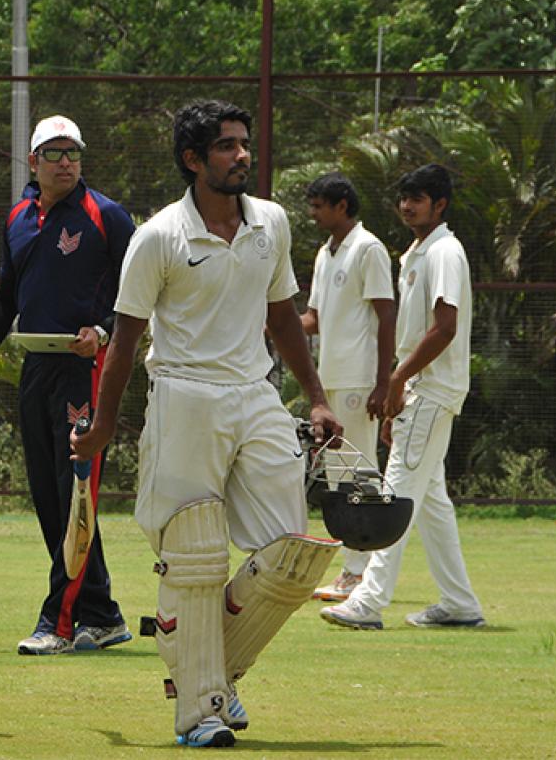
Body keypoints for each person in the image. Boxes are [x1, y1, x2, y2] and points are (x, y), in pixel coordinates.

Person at [71, 100, 343, 748]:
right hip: (184, 395)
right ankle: (202, 710)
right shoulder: (159, 237)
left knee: (292, 556)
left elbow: (283, 317)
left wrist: (318, 398)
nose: (241, 154)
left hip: (255, 393)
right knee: (194, 557)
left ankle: (202, 666)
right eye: (226, 145)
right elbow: (126, 340)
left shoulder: (271, 223)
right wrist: (105, 425)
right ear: (193, 160)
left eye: (243, 143)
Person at [0, 115, 135, 656]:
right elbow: (5, 297)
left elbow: (139, 292)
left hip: (86, 369)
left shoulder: (106, 216)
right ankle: (101, 614)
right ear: (33, 161)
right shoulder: (18, 217)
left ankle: (57, 623)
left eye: (73, 152)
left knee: (75, 492)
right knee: (50, 498)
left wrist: (103, 330)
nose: (65, 162)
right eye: (53, 153)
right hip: (36, 367)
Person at [320, 164, 486, 631]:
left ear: (440, 205)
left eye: (418, 198)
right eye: (404, 198)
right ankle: (459, 603)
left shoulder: (445, 252)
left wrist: (397, 379)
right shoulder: (416, 253)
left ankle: (368, 602)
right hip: (419, 390)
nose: (407, 206)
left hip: (432, 389)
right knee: (430, 502)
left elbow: (445, 327)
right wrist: (400, 392)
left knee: (395, 494)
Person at [300, 173, 396, 602]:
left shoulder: (368, 248)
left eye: (319, 205)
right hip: (330, 381)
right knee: (340, 476)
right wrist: (265, 323)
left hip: (360, 378)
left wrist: (383, 381)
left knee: (360, 472)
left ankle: (358, 572)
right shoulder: (326, 253)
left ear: (342, 206)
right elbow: (313, 320)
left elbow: (386, 314)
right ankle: (355, 568)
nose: (314, 213)